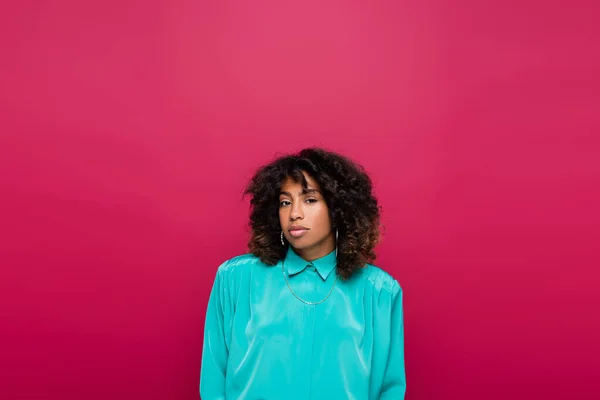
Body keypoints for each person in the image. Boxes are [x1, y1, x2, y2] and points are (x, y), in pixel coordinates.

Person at [199, 147, 406, 399]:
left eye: (310, 199)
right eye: (285, 202)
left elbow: (389, 388)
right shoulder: (236, 279)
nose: (294, 214)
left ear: (338, 208)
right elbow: (213, 380)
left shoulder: (379, 292)